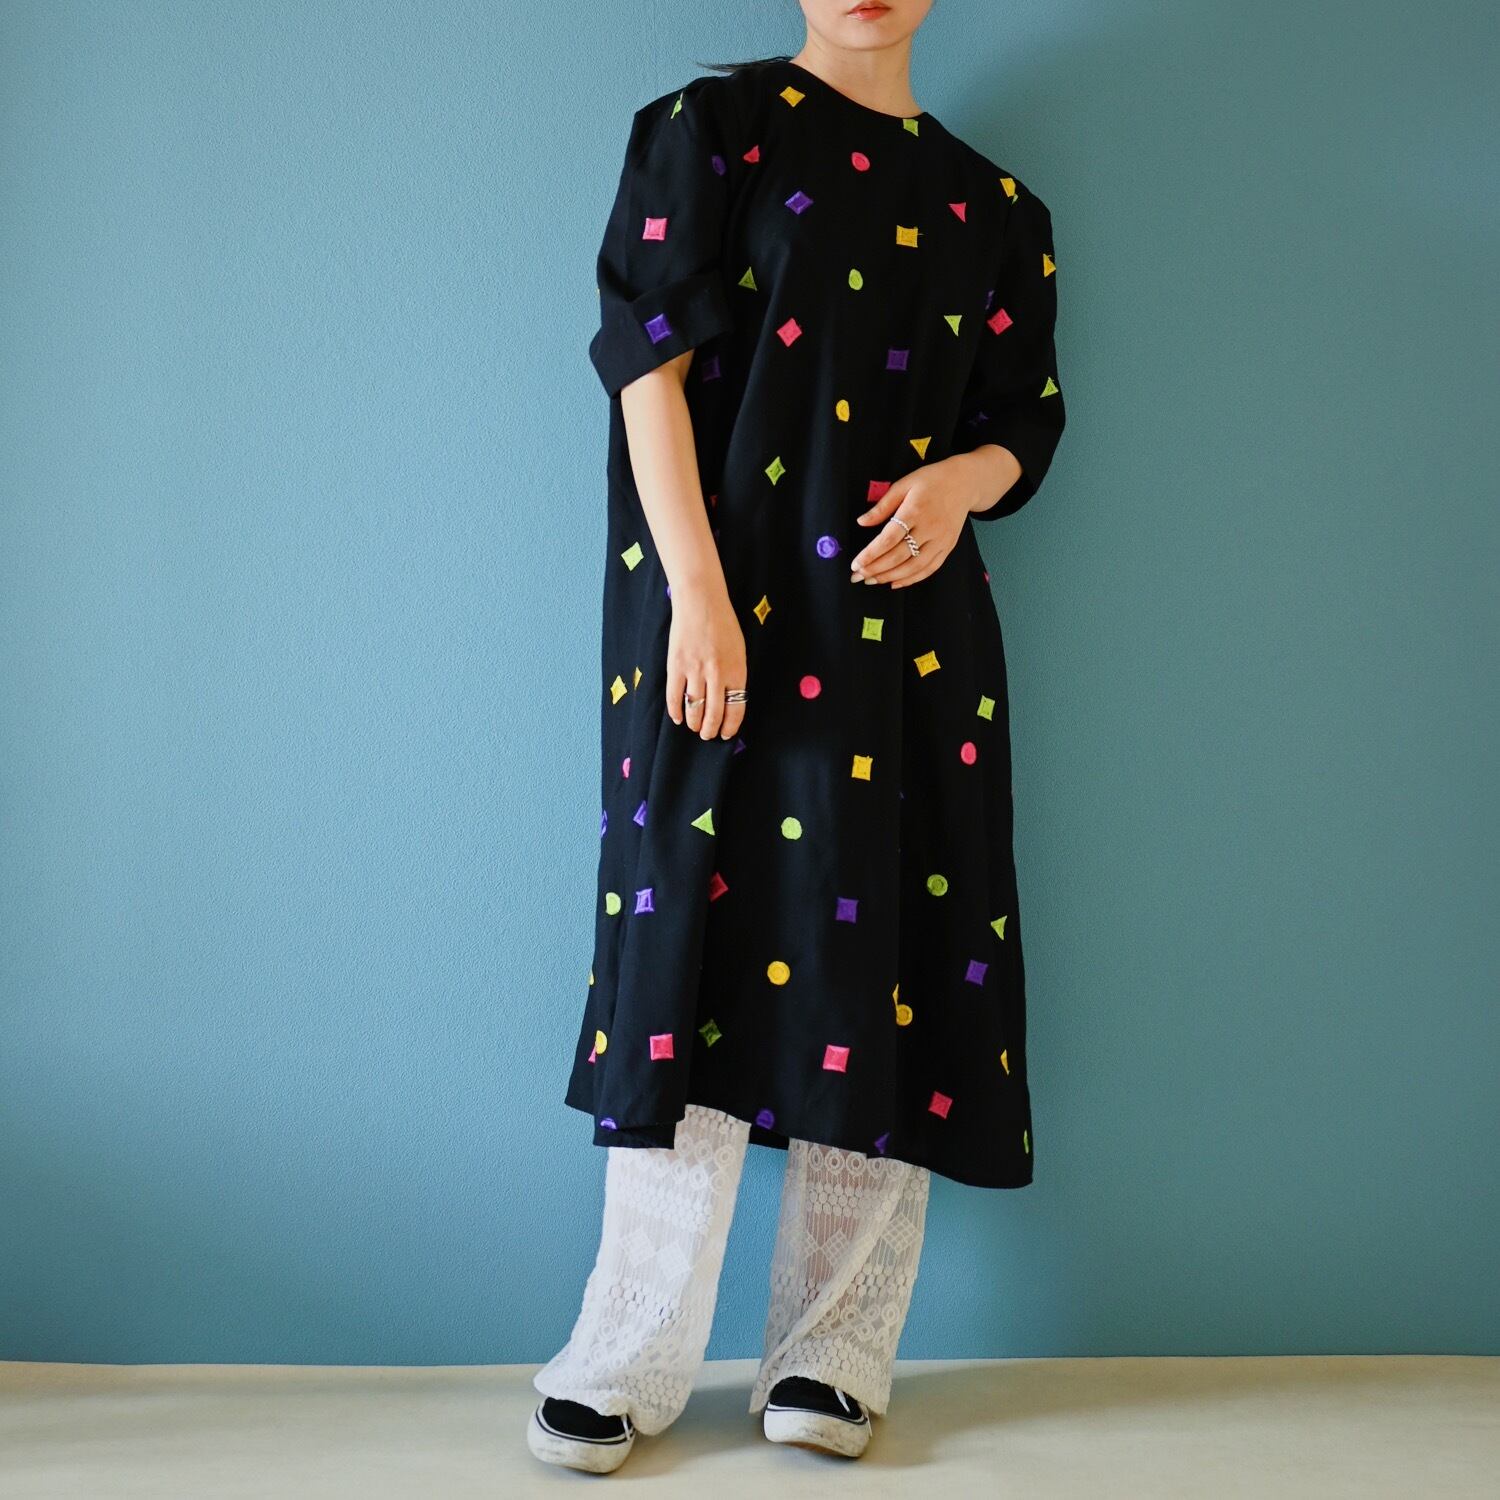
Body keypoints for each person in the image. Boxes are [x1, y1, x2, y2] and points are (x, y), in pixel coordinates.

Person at [530, 0, 1067, 1472]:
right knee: (685, 951)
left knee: (887, 950)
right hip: (717, 610)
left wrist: (960, 481)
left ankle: (834, 1353)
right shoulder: (710, 132)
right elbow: (643, 365)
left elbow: (1026, 420)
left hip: (910, 638)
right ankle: (627, 1352)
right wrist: (697, 600)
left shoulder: (998, 210)